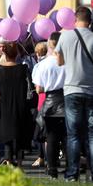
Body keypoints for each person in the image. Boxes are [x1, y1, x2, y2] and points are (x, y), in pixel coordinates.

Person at [55, 6, 93, 183]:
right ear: (90, 21)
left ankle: (72, 173)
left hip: (72, 90)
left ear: (75, 20)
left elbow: (60, 62)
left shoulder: (65, 36)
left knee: (74, 134)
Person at [0, 41, 31, 166]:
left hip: (4, 105)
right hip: (20, 104)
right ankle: (19, 163)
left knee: (6, 133)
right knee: (20, 133)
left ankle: (8, 160)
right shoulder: (24, 69)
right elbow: (30, 87)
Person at [34, 32, 66, 178]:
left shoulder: (43, 64)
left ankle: (52, 169)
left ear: (50, 44)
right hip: (66, 98)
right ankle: (71, 167)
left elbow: (39, 89)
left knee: (51, 137)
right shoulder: (68, 62)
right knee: (67, 136)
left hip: (51, 100)